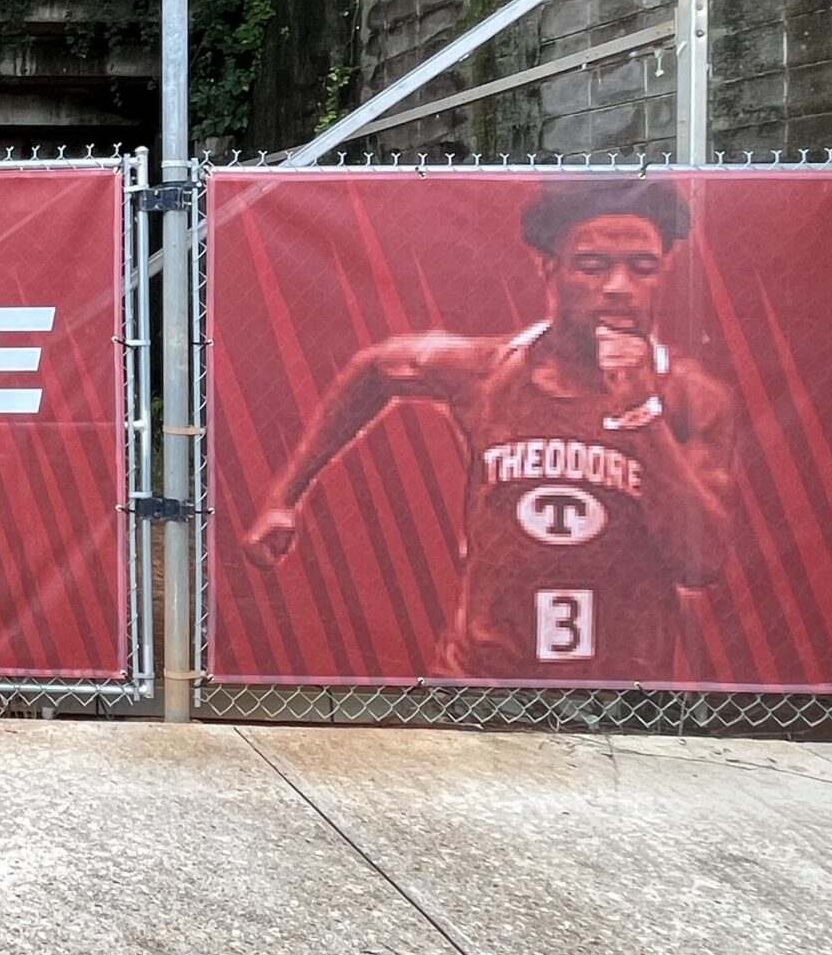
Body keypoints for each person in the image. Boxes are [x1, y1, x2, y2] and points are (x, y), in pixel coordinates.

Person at [241, 178, 737, 681]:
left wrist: (641, 416)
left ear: (663, 273)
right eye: (593, 266)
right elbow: (377, 369)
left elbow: (701, 564)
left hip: (617, 690)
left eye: (643, 267)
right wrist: (286, 496)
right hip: (477, 678)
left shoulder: (692, 399)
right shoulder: (489, 372)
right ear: (550, 266)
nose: (618, 287)